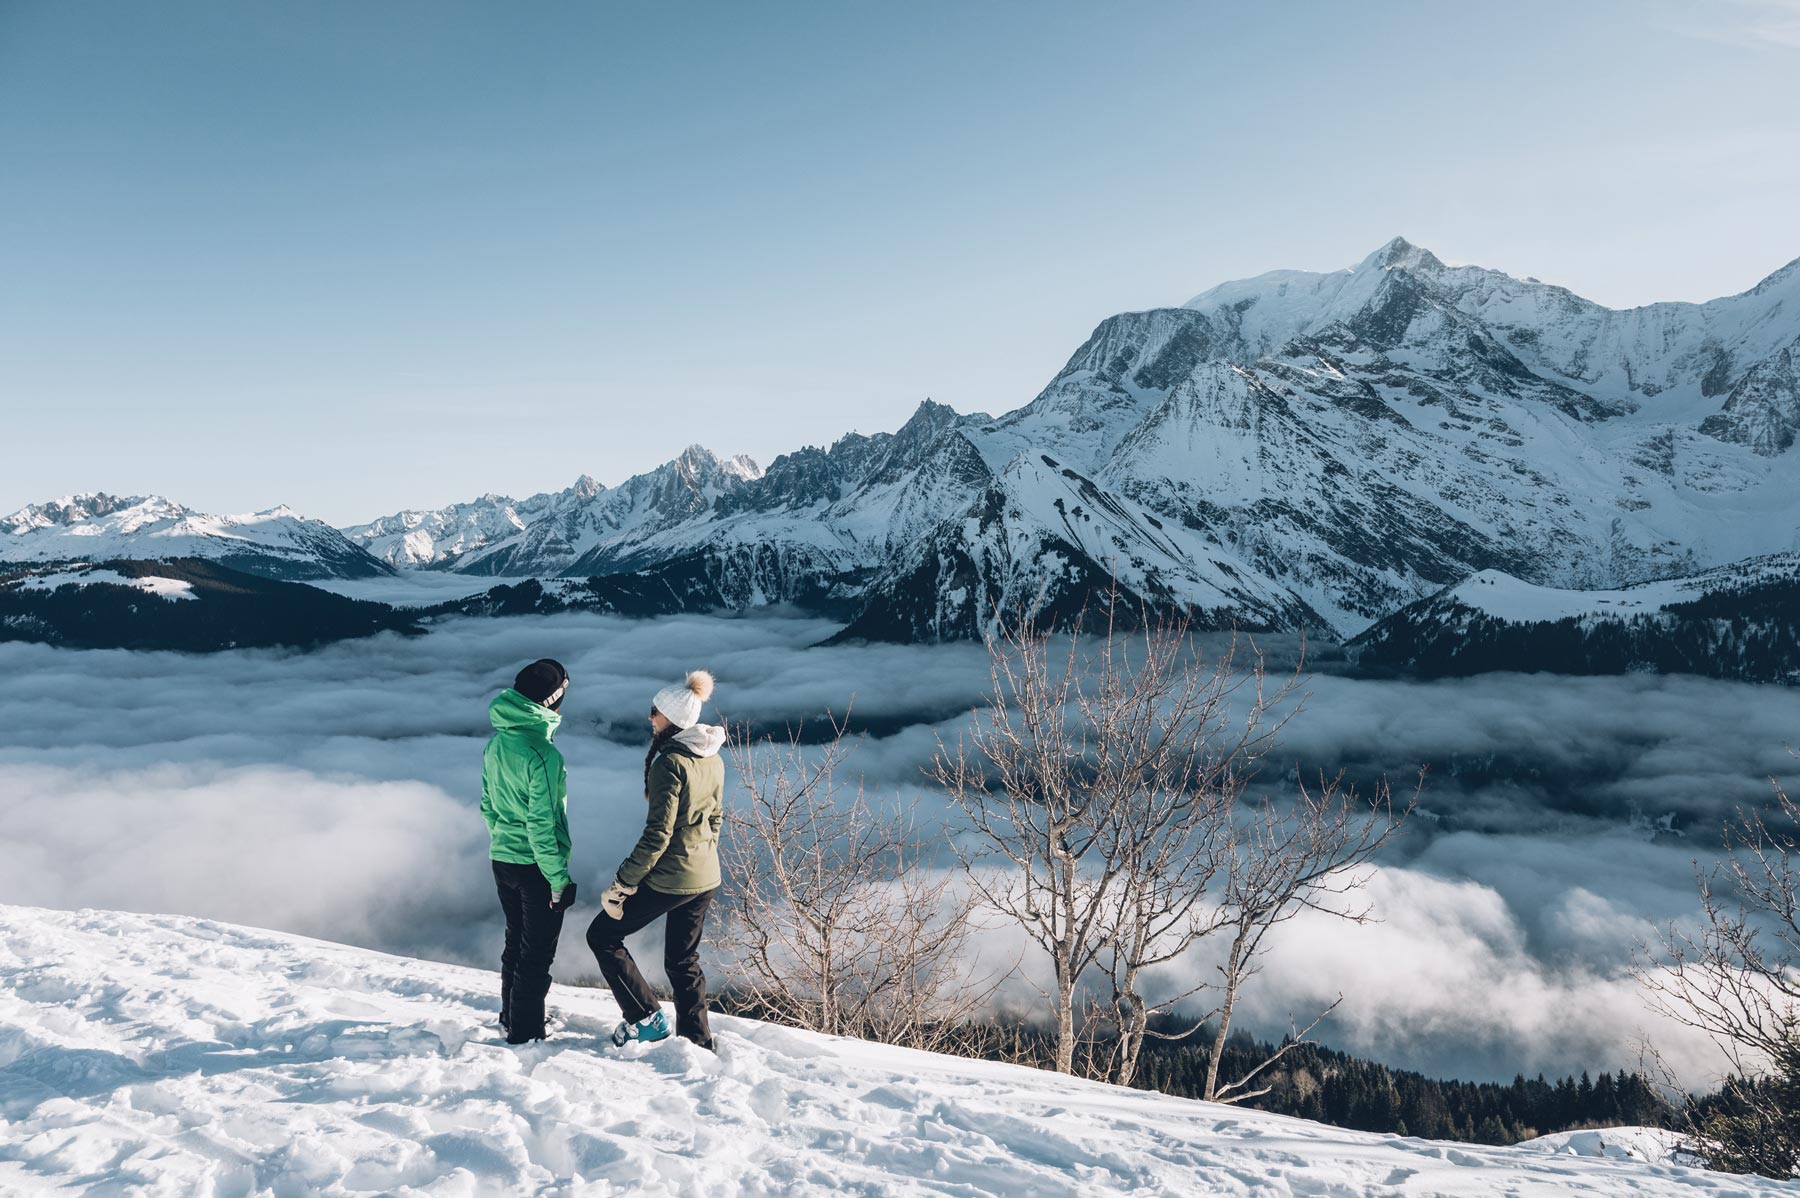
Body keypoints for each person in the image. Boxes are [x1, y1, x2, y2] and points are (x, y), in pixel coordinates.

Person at [586, 669, 726, 1050]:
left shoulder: (669, 762)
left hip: (674, 878)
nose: (650, 717)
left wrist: (623, 884)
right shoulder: (711, 756)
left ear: (673, 719)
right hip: (706, 874)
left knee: (602, 935)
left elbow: (657, 836)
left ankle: (645, 1019)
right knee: (683, 961)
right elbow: (715, 818)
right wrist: (701, 854)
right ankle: (697, 1043)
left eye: (655, 711)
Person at [481, 658, 577, 1045]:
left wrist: (504, 841)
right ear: (551, 702)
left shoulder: (496, 743)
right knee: (535, 954)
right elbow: (541, 826)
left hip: (501, 858)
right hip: (535, 867)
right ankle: (525, 1033)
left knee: (514, 941)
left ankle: (512, 1015)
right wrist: (558, 880)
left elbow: (488, 805)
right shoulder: (543, 754)